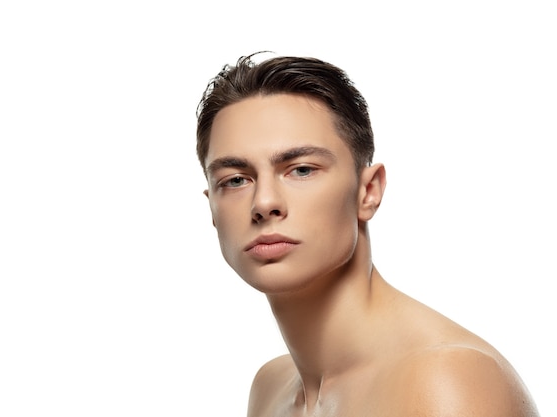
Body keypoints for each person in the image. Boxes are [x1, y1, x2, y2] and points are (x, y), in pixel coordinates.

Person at [195, 52, 539, 417]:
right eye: (235, 179)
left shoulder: (444, 380)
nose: (264, 203)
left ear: (368, 192)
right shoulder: (271, 387)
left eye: (301, 170)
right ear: (212, 208)